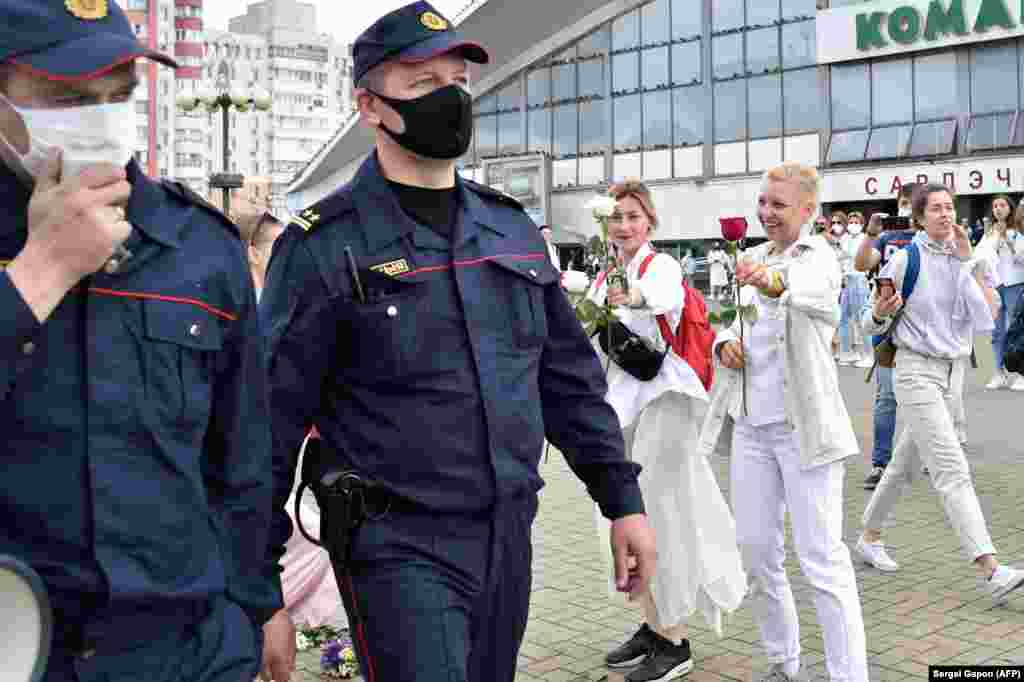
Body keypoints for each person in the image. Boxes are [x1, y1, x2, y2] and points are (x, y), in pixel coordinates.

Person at [260, 4, 657, 681]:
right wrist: (258, 585)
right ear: (370, 106)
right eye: (422, 84)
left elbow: (567, 385)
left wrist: (622, 502)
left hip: (508, 536)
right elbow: (264, 426)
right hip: (396, 545)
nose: (449, 97)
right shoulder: (325, 246)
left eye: (458, 80)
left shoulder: (508, 231)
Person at [0, 3, 283, 681]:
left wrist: (256, 606)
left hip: (187, 646)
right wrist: (41, 273)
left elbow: (241, 458)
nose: (101, 117)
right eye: (66, 97)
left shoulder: (200, 246)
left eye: (120, 94)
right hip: (26, 645)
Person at [699, 162, 868, 682]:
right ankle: (783, 662)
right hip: (751, 428)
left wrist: (770, 281)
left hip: (804, 431)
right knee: (755, 553)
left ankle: (849, 676)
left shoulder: (821, 259)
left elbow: (814, 299)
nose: (766, 213)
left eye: (779, 205)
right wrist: (723, 342)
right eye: (763, 202)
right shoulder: (746, 257)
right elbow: (722, 320)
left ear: (808, 211)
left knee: (821, 559)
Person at [588, 181, 746, 682]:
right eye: (616, 217)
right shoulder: (605, 274)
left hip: (666, 404)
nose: (623, 225)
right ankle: (652, 625)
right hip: (624, 407)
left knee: (663, 519)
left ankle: (674, 641)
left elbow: (661, 296)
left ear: (650, 222)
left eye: (633, 216)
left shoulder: (661, 268)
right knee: (624, 515)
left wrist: (630, 294)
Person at [857, 184, 1024, 602]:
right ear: (919, 218)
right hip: (914, 372)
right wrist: (878, 312)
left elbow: (988, 317)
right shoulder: (903, 260)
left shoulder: (960, 258)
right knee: (951, 468)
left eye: (950, 208)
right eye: (936, 209)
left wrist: (969, 263)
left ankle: (869, 534)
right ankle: (989, 567)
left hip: (953, 377)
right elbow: (869, 322)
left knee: (902, 466)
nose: (946, 215)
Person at [233, 195, 348, 632]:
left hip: (301, 445)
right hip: (267, 447)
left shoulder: (294, 290)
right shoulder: (243, 298)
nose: (285, 249)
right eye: (273, 242)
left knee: (316, 547)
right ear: (253, 251)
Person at [854, 182, 920, 491]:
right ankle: (881, 462)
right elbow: (861, 264)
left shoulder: (930, 236)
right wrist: (870, 234)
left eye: (914, 203)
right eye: (904, 202)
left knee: (927, 397)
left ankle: (929, 456)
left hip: (922, 327)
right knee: (887, 396)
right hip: (886, 323)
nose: (907, 208)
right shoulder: (886, 237)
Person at [977, 196, 1024, 390]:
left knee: (1017, 330)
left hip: (1015, 283)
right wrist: (995, 238)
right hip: (994, 286)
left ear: (1010, 208)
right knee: (996, 332)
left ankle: (1021, 373)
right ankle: (998, 371)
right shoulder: (989, 232)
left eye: (1002, 205)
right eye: (995, 206)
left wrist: (1007, 239)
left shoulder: (1019, 230)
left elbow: (1021, 258)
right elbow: (980, 256)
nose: (998, 209)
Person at [838, 212, 872, 368]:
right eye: (850, 221)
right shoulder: (844, 238)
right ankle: (847, 352)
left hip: (858, 279)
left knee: (861, 318)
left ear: (862, 224)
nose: (852, 224)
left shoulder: (864, 239)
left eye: (856, 222)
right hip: (846, 280)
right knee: (843, 318)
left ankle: (868, 354)